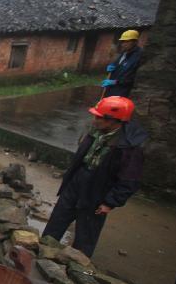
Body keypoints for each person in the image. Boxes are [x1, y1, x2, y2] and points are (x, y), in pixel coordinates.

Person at [42, 96, 146, 258]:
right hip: (77, 181)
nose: (95, 120)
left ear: (114, 121)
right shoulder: (95, 132)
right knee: (57, 220)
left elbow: (130, 180)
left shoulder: (128, 148)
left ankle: (75, 267)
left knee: (86, 234)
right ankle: (43, 252)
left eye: (99, 117)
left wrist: (110, 203)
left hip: (98, 192)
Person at [102, 30, 142, 98]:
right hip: (111, 90)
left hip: (122, 92)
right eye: (122, 41)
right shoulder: (124, 53)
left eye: (127, 41)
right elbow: (117, 65)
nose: (123, 44)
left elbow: (133, 77)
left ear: (135, 42)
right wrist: (113, 65)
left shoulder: (138, 56)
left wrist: (116, 82)